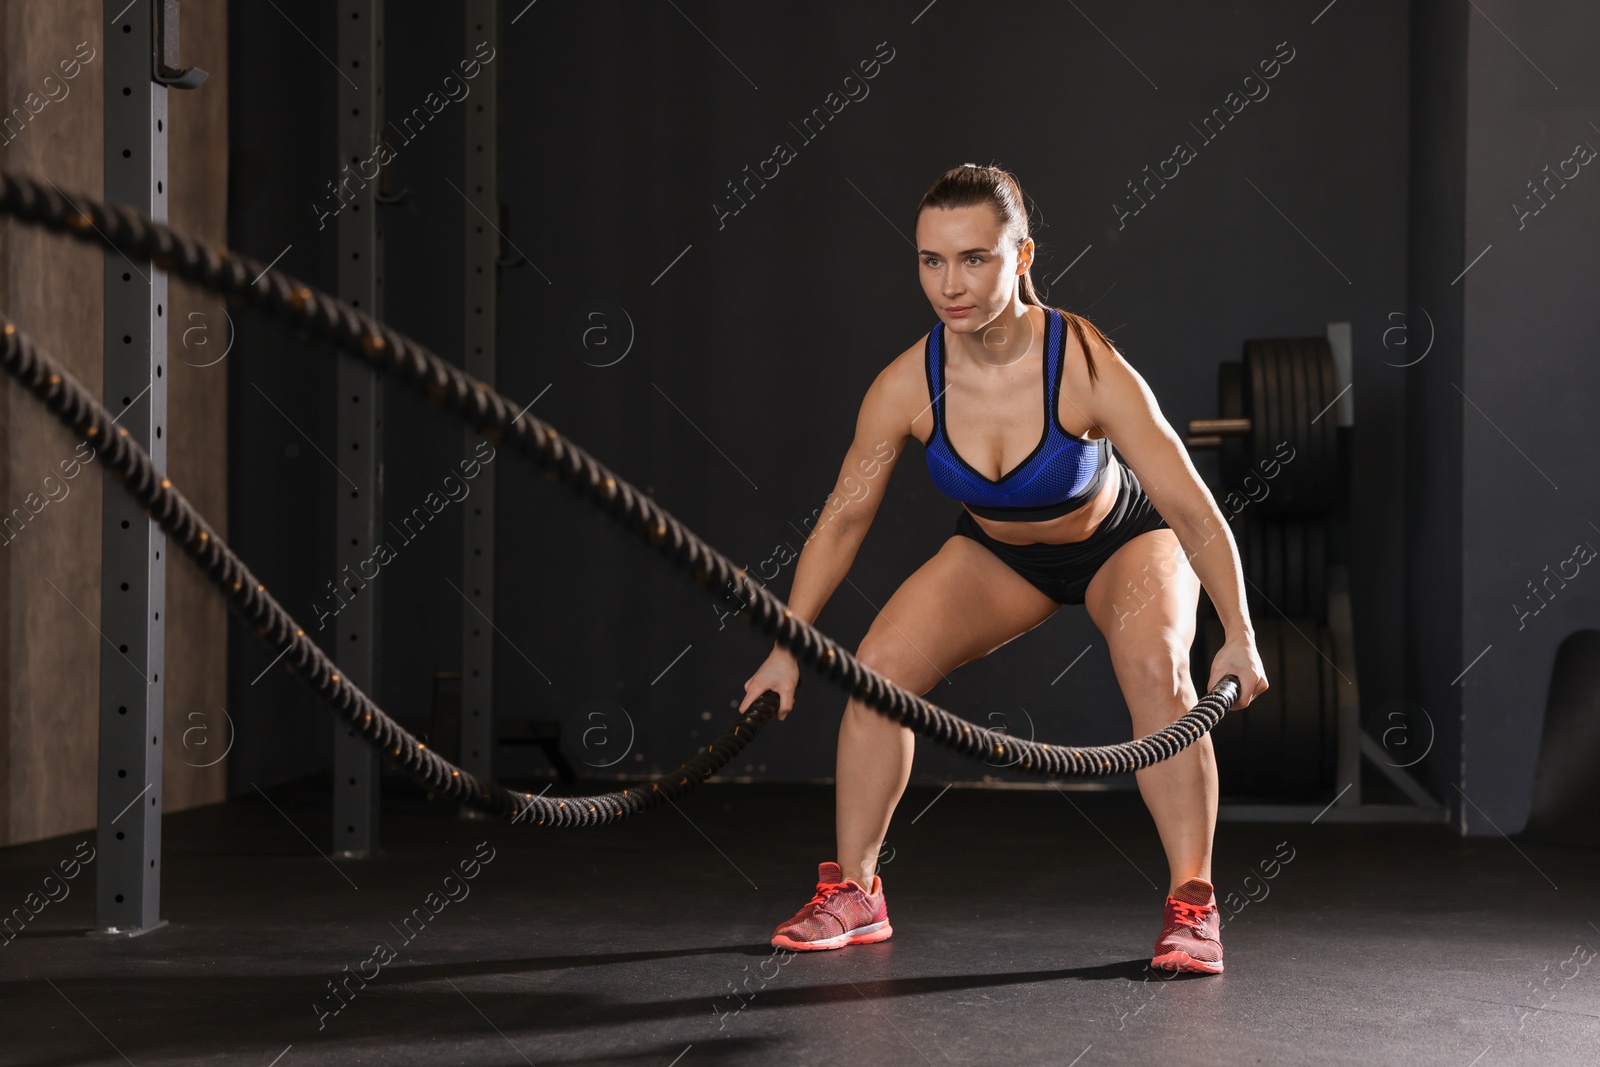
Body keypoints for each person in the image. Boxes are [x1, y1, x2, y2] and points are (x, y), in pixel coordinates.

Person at [737, 163, 1267, 975]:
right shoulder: (907, 384)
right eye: (931, 260)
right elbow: (844, 517)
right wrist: (786, 643)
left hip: (1124, 542)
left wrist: (1239, 633)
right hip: (1003, 553)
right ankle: (857, 889)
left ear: (1021, 258)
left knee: (1161, 675)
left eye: (975, 258)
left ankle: (1192, 902)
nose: (951, 283)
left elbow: (1190, 503)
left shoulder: (1086, 364)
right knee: (877, 671)